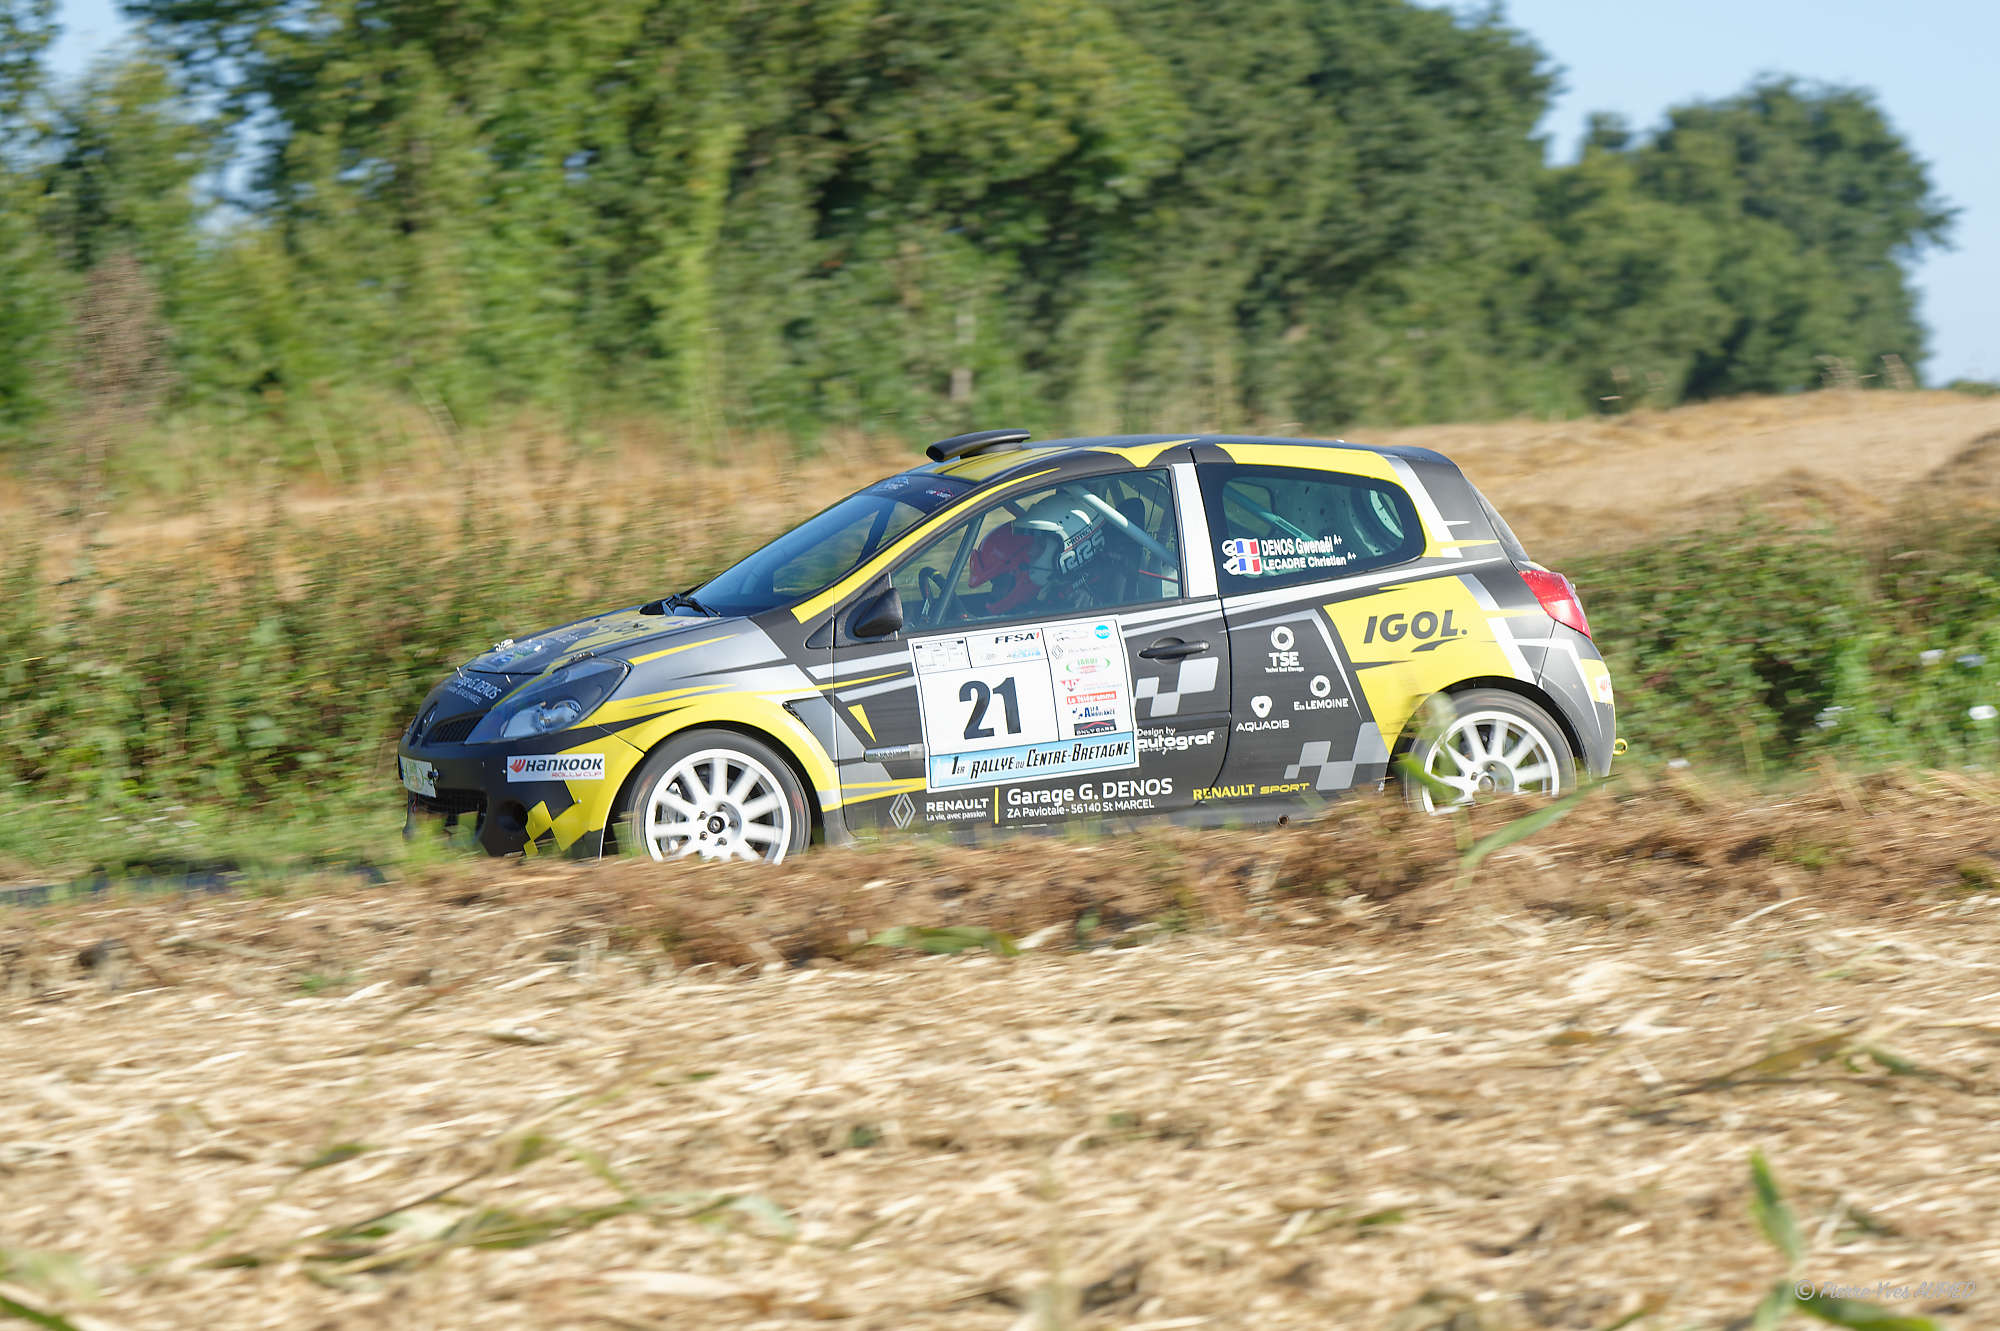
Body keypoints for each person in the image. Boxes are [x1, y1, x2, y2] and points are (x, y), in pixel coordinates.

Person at [966, 490, 1116, 617]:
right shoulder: (1055, 591)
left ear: (1071, 546)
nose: (1030, 551)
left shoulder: (1080, 603)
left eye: (1041, 544)